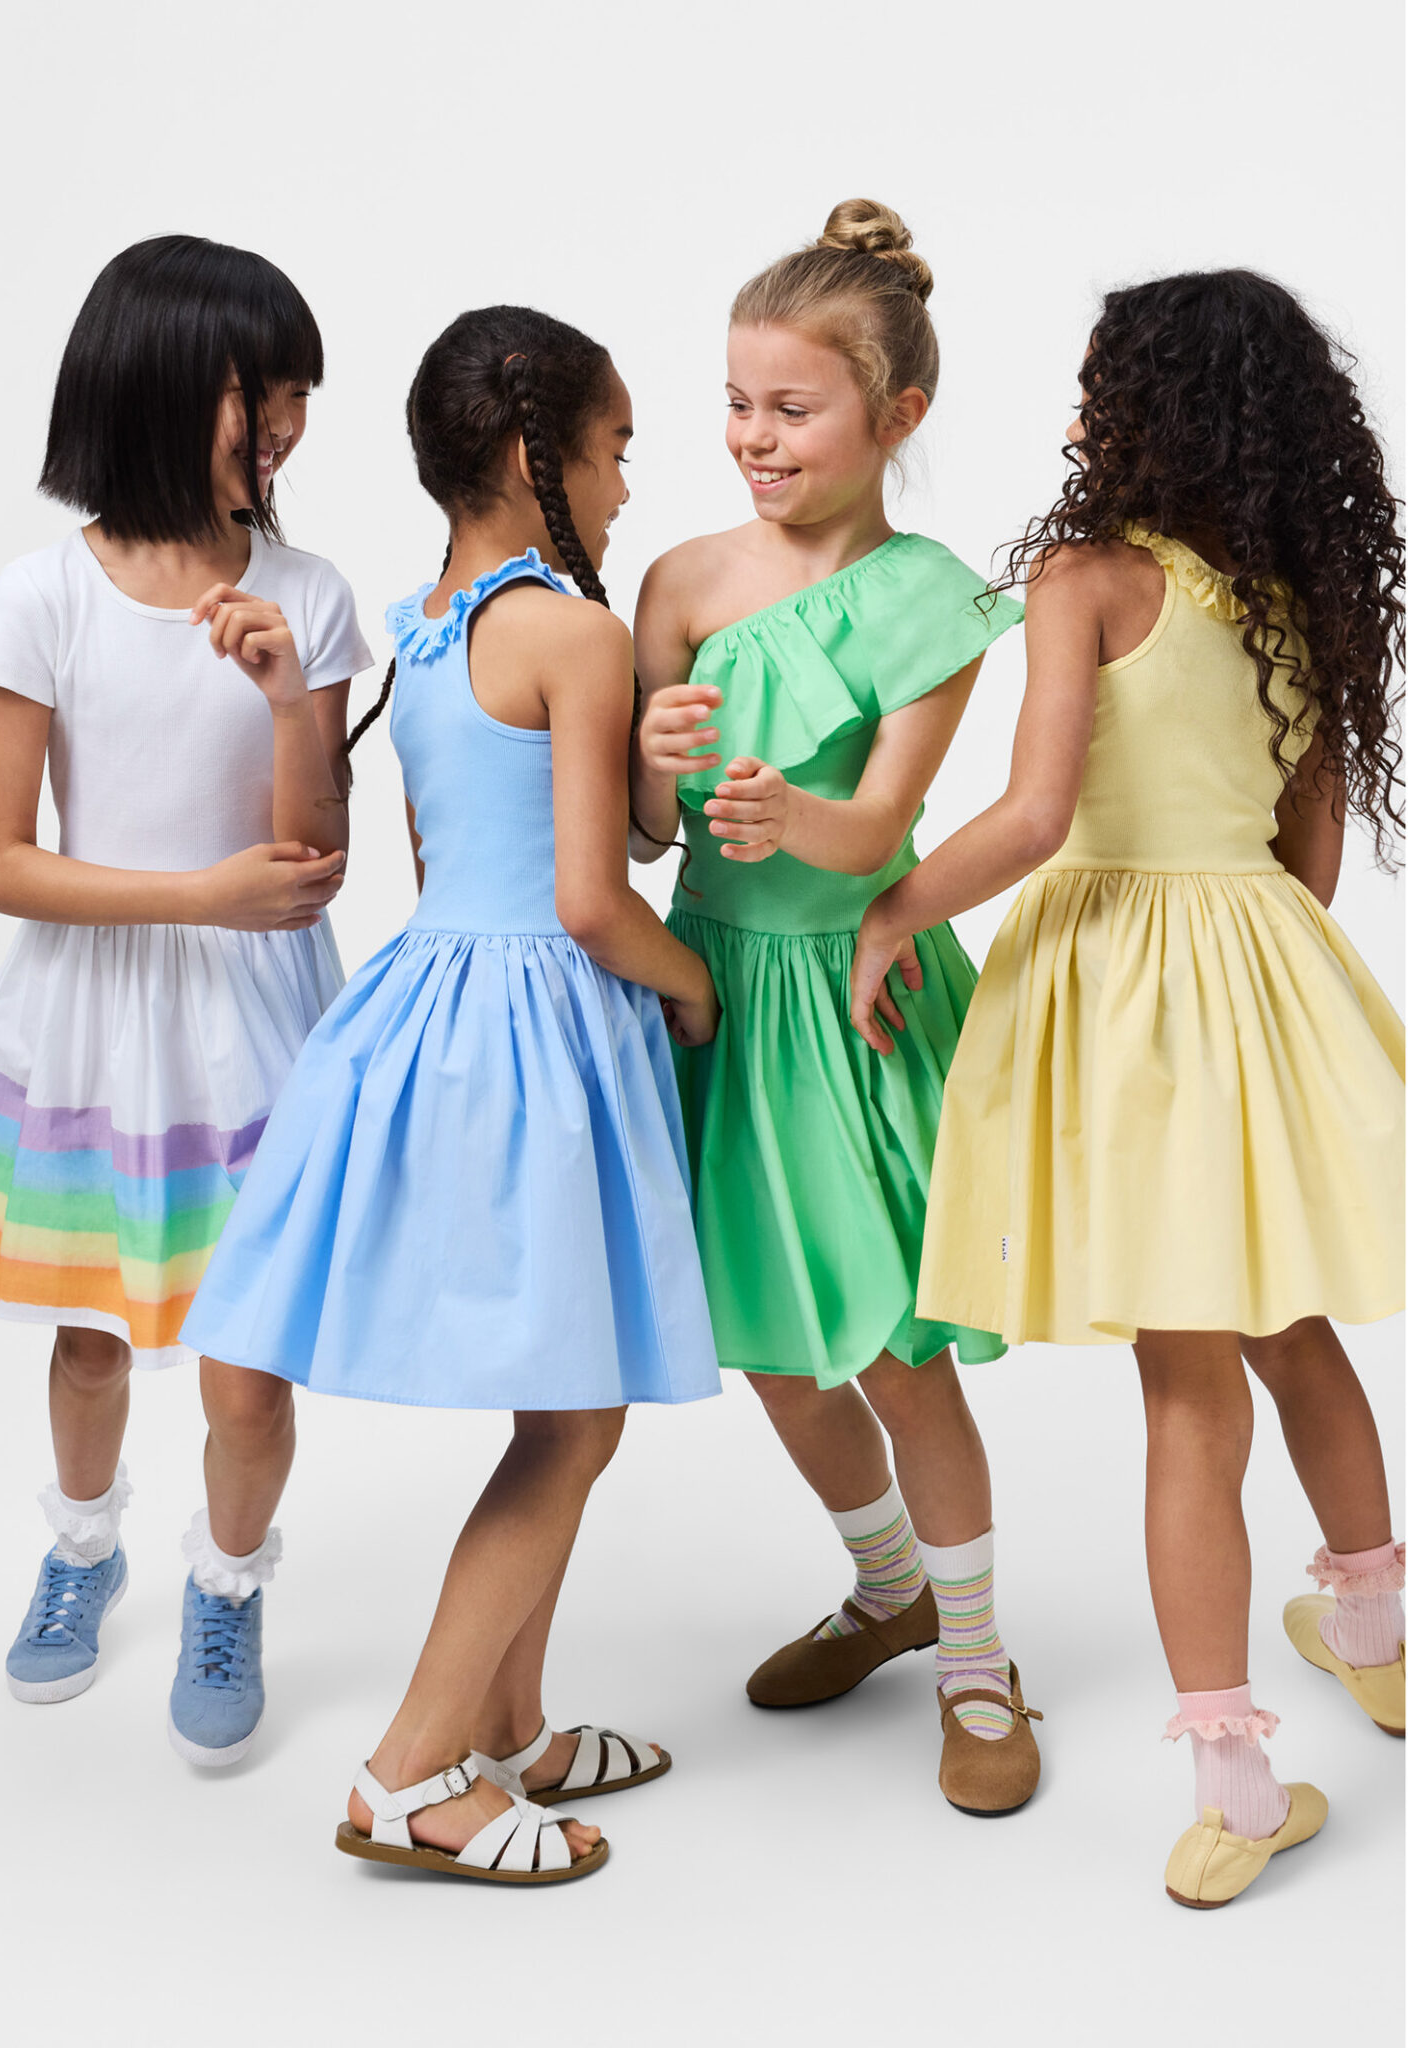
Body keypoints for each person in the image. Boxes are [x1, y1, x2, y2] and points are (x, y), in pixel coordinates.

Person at [852, 269, 1404, 1905]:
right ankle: (1378, 1634)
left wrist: (894, 911)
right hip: (1262, 972)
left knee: (1184, 1386)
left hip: (1126, 994)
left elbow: (1034, 819)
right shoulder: (1297, 595)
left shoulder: (1085, 580)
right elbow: (1307, 859)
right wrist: (1241, 974)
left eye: (1104, 384)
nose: (1084, 410)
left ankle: (1236, 1784)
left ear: (1154, 409)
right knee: (1292, 1324)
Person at [183, 306, 721, 1883]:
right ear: (535, 457)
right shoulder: (572, 632)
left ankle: (515, 1728)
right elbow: (592, 900)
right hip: (548, 1020)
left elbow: (446, 865)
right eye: (614, 451)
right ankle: (413, 1772)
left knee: (562, 1393)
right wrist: (694, 988)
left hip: (442, 1011)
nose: (625, 485)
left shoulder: (424, 628)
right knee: (576, 1418)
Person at [631, 201, 1040, 1815]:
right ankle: (890, 1589)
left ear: (897, 415)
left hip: (847, 999)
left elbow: (876, 833)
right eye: (737, 402)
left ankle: (979, 1662)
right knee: (773, 1344)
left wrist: (786, 814)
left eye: (793, 408)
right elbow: (644, 837)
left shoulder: (929, 598)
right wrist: (654, 768)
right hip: (717, 994)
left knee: (892, 1346)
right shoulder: (679, 580)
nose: (754, 436)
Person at [0, 235, 372, 1762]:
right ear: (150, 384)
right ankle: (84, 1550)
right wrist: (198, 895)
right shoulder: (42, 597)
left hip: (255, 1031)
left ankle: (229, 1581)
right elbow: (1, 862)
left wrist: (284, 696)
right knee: (90, 1337)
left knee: (247, 1368)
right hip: (93, 1027)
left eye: (301, 394)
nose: (285, 424)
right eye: (258, 392)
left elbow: (315, 858)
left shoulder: (309, 594)